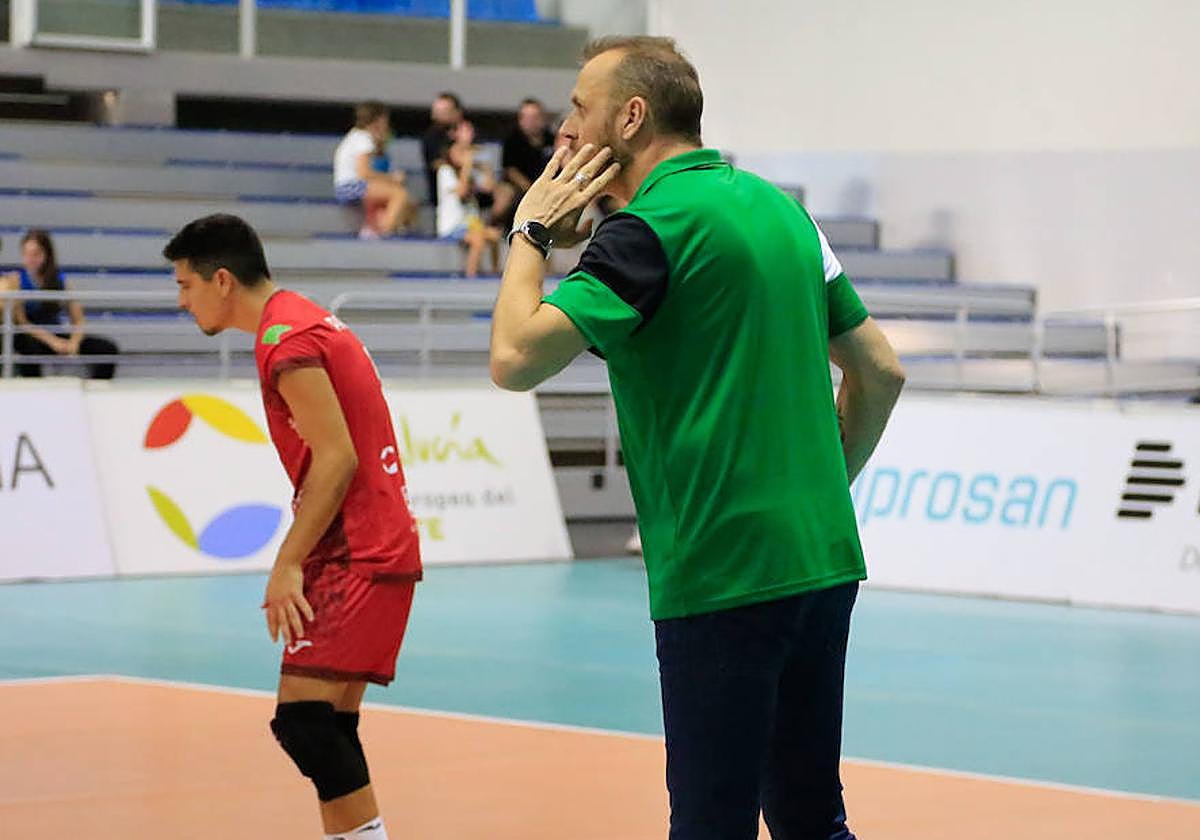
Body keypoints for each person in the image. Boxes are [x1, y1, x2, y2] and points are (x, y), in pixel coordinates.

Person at [489, 36, 905, 840]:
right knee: (811, 821)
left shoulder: (649, 231)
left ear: (632, 114)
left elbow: (514, 358)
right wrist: (825, 483)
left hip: (721, 575)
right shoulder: (785, 211)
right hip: (820, 559)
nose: (565, 133)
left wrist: (531, 235)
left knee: (711, 825)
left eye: (579, 109)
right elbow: (880, 370)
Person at [164, 214, 422, 840]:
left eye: (185, 284)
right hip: (374, 543)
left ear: (221, 280)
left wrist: (287, 562)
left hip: (359, 548)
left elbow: (337, 459)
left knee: (306, 725)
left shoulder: (287, 339)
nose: (180, 300)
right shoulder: (299, 316)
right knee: (325, 728)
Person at [12, 229, 118, 379]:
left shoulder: (60, 280)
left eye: (35, 254)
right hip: (34, 338)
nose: (30, 259)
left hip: (57, 334)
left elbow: (79, 319)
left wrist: (74, 342)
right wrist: (53, 341)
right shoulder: (16, 281)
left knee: (107, 348)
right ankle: (33, 390)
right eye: (26, 254)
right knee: (25, 346)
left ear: (47, 254)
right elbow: (23, 322)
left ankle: (97, 390)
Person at [334, 101, 417, 238]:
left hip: (349, 185)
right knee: (399, 194)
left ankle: (388, 227)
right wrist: (393, 178)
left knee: (407, 201)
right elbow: (364, 172)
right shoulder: (364, 139)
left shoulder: (355, 136)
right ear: (378, 120)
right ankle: (383, 233)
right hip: (350, 186)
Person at [435, 121, 503, 277]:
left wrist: (485, 169)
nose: (464, 155)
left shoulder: (471, 171)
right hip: (452, 226)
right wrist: (467, 165)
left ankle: (494, 274)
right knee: (478, 239)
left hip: (471, 224)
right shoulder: (445, 172)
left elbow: (489, 187)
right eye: (460, 152)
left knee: (494, 236)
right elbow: (461, 192)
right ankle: (470, 277)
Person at [501, 98, 557, 218]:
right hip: (520, 188)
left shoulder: (552, 139)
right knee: (504, 195)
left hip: (550, 186)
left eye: (535, 117)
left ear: (543, 118)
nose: (531, 122)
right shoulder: (512, 141)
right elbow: (511, 171)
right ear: (520, 119)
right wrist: (531, 189)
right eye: (526, 118)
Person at [422, 91, 464, 211]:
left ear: (457, 112)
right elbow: (437, 164)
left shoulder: (469, 134)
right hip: (443, 199)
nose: (437, 116)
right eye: (436, 112)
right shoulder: (431, 137)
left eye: (444, 112)